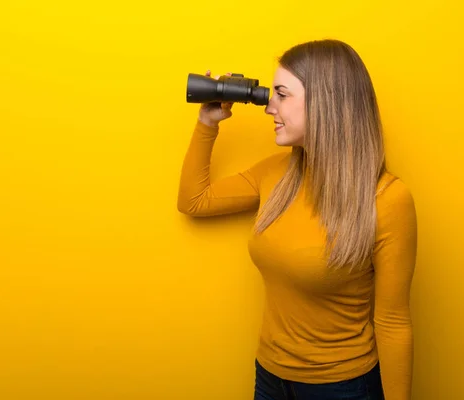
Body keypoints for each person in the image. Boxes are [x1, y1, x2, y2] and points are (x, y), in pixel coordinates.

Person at [177, 39, 417, 400]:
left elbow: (393, 322)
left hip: (342, 387)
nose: (269, 107)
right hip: (271, 377)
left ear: (326, 103)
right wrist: (207, 123)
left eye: (281, 95)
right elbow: (194, 201)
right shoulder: (277, 175)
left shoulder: (387, 199)